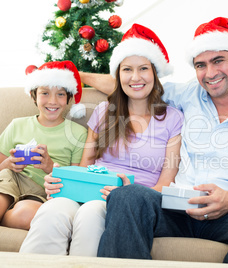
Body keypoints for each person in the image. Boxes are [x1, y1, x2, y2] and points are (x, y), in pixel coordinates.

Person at [80, 17, 228, 265]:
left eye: (218, 61)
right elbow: (133, 83)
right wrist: (75, 76)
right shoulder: (186, 94)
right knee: (127, 196)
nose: (210, 73)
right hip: (174, 209)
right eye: (200, 65)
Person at [19, 24, 183, 256]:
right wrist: (60, 181)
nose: (135, 77)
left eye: (143, 68)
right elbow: (85, 167)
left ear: (155, 73)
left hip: (130, 203)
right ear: (118, 74)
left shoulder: (173, 118)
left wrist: (130, 195)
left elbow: (166, 183)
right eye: (127, 69)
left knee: (92, 213)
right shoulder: (104, 110)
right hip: (88, 191)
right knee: (52, 210)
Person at [0, 61, 87, 231]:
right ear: (34, 96)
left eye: (60, 94)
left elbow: (77, 182)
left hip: (43, 191)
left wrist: (50, 167)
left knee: (24, 215)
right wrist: (8, 164)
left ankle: (8, 214)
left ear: (69, 98)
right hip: (11, 179)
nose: (52, 101)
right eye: (45, 93)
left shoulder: (78, 133)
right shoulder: (17, 125)